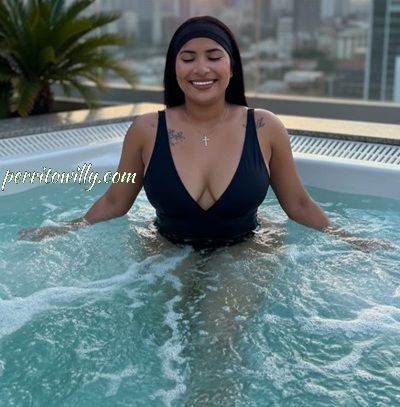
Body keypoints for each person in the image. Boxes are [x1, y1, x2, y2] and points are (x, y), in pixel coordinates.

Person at [18, 16, 395, 251]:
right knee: (165, 340)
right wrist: (64, 229)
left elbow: (297, 204)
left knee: (218, 339)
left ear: (232, 67)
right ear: (175, 68)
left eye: (214, 57)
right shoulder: (146, 130)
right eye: (188, 58)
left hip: (244, 251)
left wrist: (349, 239)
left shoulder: (265, 128)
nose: (201, 69)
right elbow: (117, 200)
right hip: (164, 249)